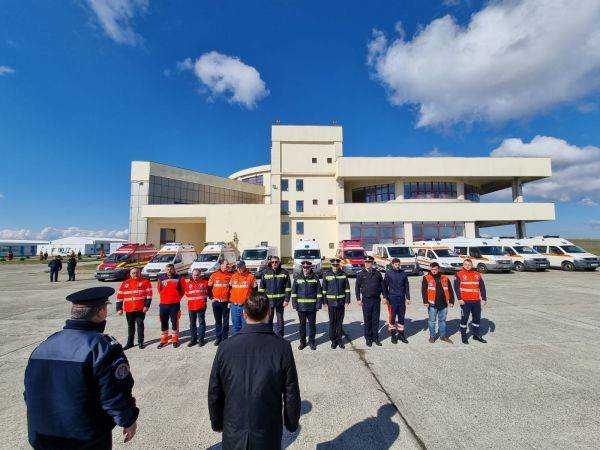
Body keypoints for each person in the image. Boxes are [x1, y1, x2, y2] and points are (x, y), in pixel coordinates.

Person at [24, 287, 139, 449]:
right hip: (83, 438)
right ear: (101, 312)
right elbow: (114, 394)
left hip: (43, 435)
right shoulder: (103, 347)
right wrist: (128, 420)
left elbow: (29, 391)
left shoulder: (45, 344)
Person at [208, 293, 301, 450]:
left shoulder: (225, 347)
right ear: (269, 312)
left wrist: (216, 421)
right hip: (267, 430)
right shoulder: (282, 347)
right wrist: (291, 423)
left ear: (244, 313)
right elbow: (291, 391)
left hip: (234, 429)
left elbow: (215, 389)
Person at [116, 267, 153, 350]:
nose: (135, 274)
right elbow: (120, 296)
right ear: (130, 274)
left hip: (140, 309)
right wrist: (119, 308)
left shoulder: (145, 282)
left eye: (137, 272)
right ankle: (130, 343)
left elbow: (149, 295)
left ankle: (140, 342)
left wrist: (147, 306)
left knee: (140, 325)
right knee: (130, 326)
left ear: (140, 273)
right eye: (133, 273)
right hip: (129, 309)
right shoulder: (125, 283)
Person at [454, 259, 488, 344]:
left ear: (472, 265)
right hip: (465, 301)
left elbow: (482, 287)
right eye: (465, 264)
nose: (467, 266)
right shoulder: (459, 274)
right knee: (464, 319)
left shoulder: (477, 274)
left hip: (476, 301)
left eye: (469, 264)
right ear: (463, 265)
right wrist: (459, 298)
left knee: (477, 319)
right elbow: (456, 287)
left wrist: (484, 298)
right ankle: (464, 336)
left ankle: (476, 335)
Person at [355, 255, 386, 347]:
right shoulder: (360, 274)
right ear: (364, 263)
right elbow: (357, 287)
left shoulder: (377, 273)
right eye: (366, 262)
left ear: (372, 263)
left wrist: (385, 296)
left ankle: (375, 337)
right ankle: (368, 338)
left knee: (375, 320)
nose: (367, 264)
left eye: (369, 262)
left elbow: (383, 286)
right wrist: (358, 299)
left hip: (376, 300)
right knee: (367, 320)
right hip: (366, 300)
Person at [291, 260, 322, 351]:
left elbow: (319, 293)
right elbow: (294, 292)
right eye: (304, 267)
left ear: (310, 268)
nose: (306, 269)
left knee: (312, 326)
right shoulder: (297, 278)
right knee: (302, 326)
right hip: (301, 307)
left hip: (312, 307)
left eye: (307, 267)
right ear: (302, 268)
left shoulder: (315, 278)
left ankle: (312, 342)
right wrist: (294, 304)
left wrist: (318, 305)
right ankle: (303, 342)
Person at [422, 262, 455, 343]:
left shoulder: (444, 277)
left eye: (435, 269)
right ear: (430, 269)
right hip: (432, 304)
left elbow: (450, 289)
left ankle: (443, 336)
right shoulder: (426, 278)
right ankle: (432, 336)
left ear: (438, 269)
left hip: (443, 304)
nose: (434, 271)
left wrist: (451, 301)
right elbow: (424, 290)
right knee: (432, 321)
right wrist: (425, 301)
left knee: (442, 321)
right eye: (432, 269)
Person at [258, 256, 291, 337]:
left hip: (280, 301)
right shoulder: (265, 272)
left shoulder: (284, 272)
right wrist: (262, 300)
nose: (274, 263)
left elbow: (288, 288)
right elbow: (262, 288)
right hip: (269, 301)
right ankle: (270, 337)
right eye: (272, 262)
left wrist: (286, 300)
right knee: (269, 320)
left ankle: (280, 337)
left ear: (279, 262)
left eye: (276, 262)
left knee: (280, 321)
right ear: (270, 263)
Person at [321, 258, 350, 349]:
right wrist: (324, 302)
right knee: (332, 322)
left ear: (339, 265)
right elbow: (324, 290)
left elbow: (347, 288)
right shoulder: (326, 274)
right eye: (334, 265)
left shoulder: (343, 274)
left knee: (340, 322)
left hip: (341, 303)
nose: (335, 266)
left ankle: (339, 339)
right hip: (331, 303)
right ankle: (333, 340)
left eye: (337, 265)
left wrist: (347, 300)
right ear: (331, 265)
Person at [383, 258, 411, 344]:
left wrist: (408, 297)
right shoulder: (388, 273)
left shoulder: (403, 273)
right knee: (392, 317)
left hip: (401, 298)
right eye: (395, 264)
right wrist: (385, 297)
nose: (397, 266)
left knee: (401, 317)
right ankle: (393, 335)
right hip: (392, 299)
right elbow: (384, 286)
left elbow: (406, 285)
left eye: (398, 264)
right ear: (392, 264)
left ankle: (401, 335)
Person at [157, 264, 185, 348]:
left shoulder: (180, 278)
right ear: (165, 270)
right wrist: (165, 297)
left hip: (175, 304)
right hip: (163, 304)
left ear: (174, 269)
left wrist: (177, 298)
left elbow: (183, 290)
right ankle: (164, 340)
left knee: (174, 322)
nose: (169, 270)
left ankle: (175, 339)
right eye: (167, 269)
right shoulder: (161, 278)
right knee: (163, 322)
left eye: (171, 269)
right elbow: (159, 290)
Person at [208, 260, 232, 346]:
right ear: (221, 265)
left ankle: (225, 338)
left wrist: (230, 301)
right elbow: (209, 287)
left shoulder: (230, 275)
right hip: (216, 302)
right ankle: (218, 338)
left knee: (225, 321)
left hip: (226, 303)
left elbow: (231, 289)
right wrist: (211, 298)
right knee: (218, 321)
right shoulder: (214, 275)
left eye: (228, 264)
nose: (228, 265)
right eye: (226, 264)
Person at [229, 260, 256, 334]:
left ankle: (245, 344)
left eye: (240, 267)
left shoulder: (251, 277)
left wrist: (252, 304)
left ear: (244, 266)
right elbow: (230, 290)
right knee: (236, 327)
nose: (238, 269)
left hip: (245, 306)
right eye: (237, 267)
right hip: (234, 306)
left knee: (246, 327)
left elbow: (255, 292)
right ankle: (237, 344)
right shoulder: (233, 276)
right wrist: (229, 301)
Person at [184, 268, 209, 347]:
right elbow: (187, 293)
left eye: (197, 275)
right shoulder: (188, 284)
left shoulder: (205, 283)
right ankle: (193, 340)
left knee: (201, 323)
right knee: (192, 324)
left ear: (200, 274)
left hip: (201, 306)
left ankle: (201, 340)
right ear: (192, 275)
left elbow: (207, 293)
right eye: (194, 275)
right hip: (191, 306)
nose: (195, 276)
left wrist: (202, 301)